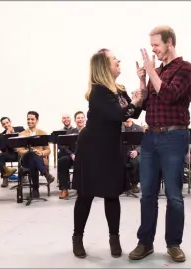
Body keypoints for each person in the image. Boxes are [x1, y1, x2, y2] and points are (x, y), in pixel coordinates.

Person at [129, 26, 191, 263]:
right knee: (147, 193)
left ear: (169, 42)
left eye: (156, 45)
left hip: (174, 138)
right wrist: (142, 81)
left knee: (174, 195)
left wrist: (151, 74)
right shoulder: (156, 71)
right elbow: (145, 108)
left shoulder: (185, 69)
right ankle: (145, 242)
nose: (153, 50)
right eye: (152, 46)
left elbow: (169, 96)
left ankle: (173, 243)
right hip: (150, 137)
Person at [71, 49, 142, 259]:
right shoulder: (98, 91)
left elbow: (134, 112)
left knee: (112, 194)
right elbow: (120, 114)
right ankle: (77, 238)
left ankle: (114, 238)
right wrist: (134, 103)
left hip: (111, 147)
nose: (119, 60)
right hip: (92, 147)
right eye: (114, 59)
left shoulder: (118, 90)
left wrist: (141, 87)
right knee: (86, 195)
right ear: (104, 66)